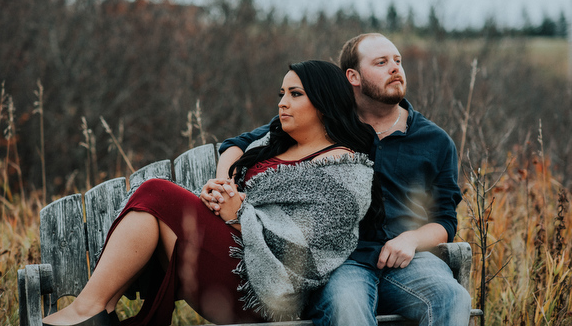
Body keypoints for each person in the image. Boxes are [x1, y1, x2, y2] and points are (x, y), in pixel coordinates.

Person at [42, 60, 382, 326]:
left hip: (267, 291)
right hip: (232, 255)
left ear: (324, 104)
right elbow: (236, 181)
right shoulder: (271, 143)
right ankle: (98, 310)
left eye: (296, 94)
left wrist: (238, 214)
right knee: (153, 201)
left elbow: (307, 253)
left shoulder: (345, 170)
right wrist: (216, 196)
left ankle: (87, 310)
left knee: (156, 193)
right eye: (281, 93)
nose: (283, 103)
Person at [205, 33, 472, 325]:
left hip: (409, 260)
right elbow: (237, 144)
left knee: (453, 297)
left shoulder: (434, 141)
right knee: (347, 309)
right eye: (381, 62)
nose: (395, 68)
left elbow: (445, 221)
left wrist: (411, 239)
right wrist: (224, 185)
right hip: (341, 262)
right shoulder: (326, 123)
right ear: (353, 76)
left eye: (397, 61)